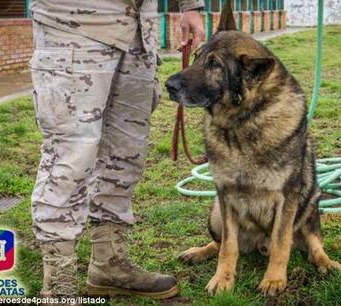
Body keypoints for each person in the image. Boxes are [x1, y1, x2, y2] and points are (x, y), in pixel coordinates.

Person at [29, 0, 205, 300]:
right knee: (70, 158)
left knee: (125, 156)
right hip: (76, 25)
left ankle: (109, 265)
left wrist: (191, 5)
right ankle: (59, 284)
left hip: (138, 31)